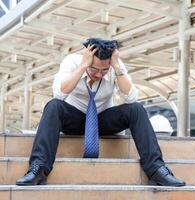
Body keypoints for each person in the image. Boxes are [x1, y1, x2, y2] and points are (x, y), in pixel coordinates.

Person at [16, 38, 185, 187]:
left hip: (102, 120)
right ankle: (38, 169)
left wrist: (116, 67)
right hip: (73, 118)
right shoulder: (72, 62)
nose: (99, 74)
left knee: (137, 109)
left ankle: (156, 170)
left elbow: (131, 98)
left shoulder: (114, 66)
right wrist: (83, 66)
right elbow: (59, 94)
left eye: (104, 70)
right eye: (94, 69)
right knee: (53, 105)